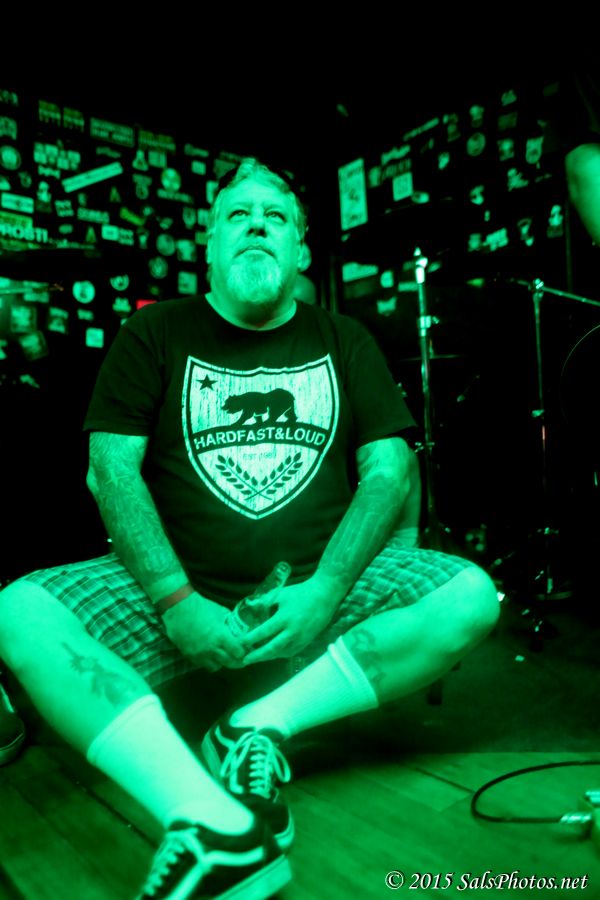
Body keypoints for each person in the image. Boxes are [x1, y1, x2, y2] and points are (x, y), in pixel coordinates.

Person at [0, 158, 500, 900]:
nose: (257, 225)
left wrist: (327, 589)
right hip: (172, 598)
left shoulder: (346, 338)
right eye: (238, 215)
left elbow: (390, 471)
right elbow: (110, 471)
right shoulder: (153, 330)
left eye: (276, 217)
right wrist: (176, 600)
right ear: (209, 245)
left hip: (316, 595)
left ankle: (253, 726)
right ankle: (209, 821)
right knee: (16, 610)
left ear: (300, 250)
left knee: (472, 596)